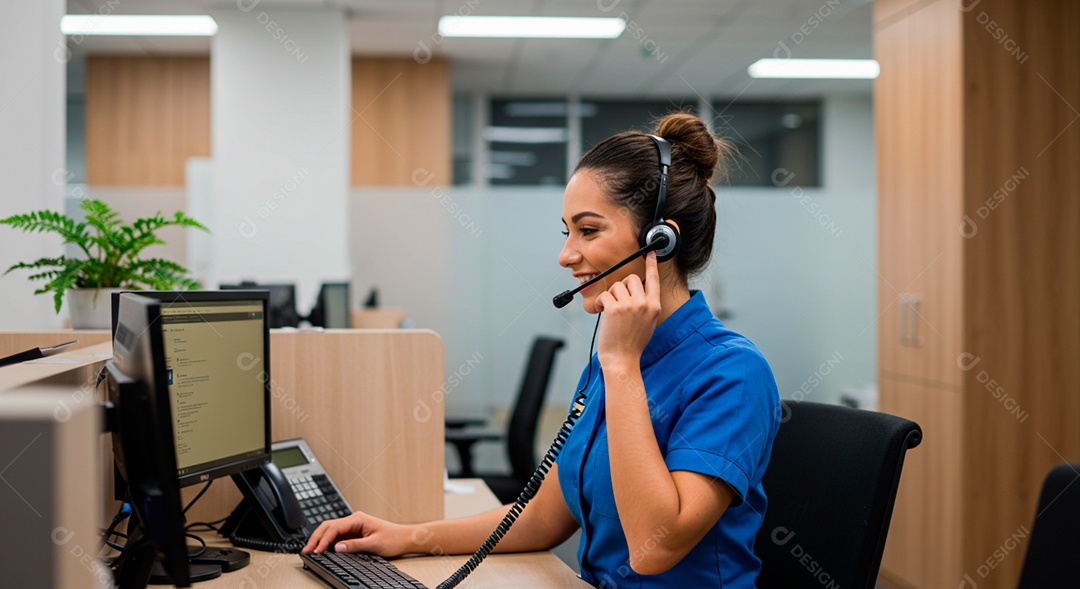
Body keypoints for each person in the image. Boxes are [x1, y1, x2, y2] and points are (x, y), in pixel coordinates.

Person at [304, 112, 781, 588]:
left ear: (660, 241)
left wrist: (620, 367)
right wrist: (406, 537)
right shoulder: (616, 356)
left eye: (588, 231)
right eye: (566, 232)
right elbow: (544, 517)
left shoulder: (732, 373)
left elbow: (655, 548)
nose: (566, 254)